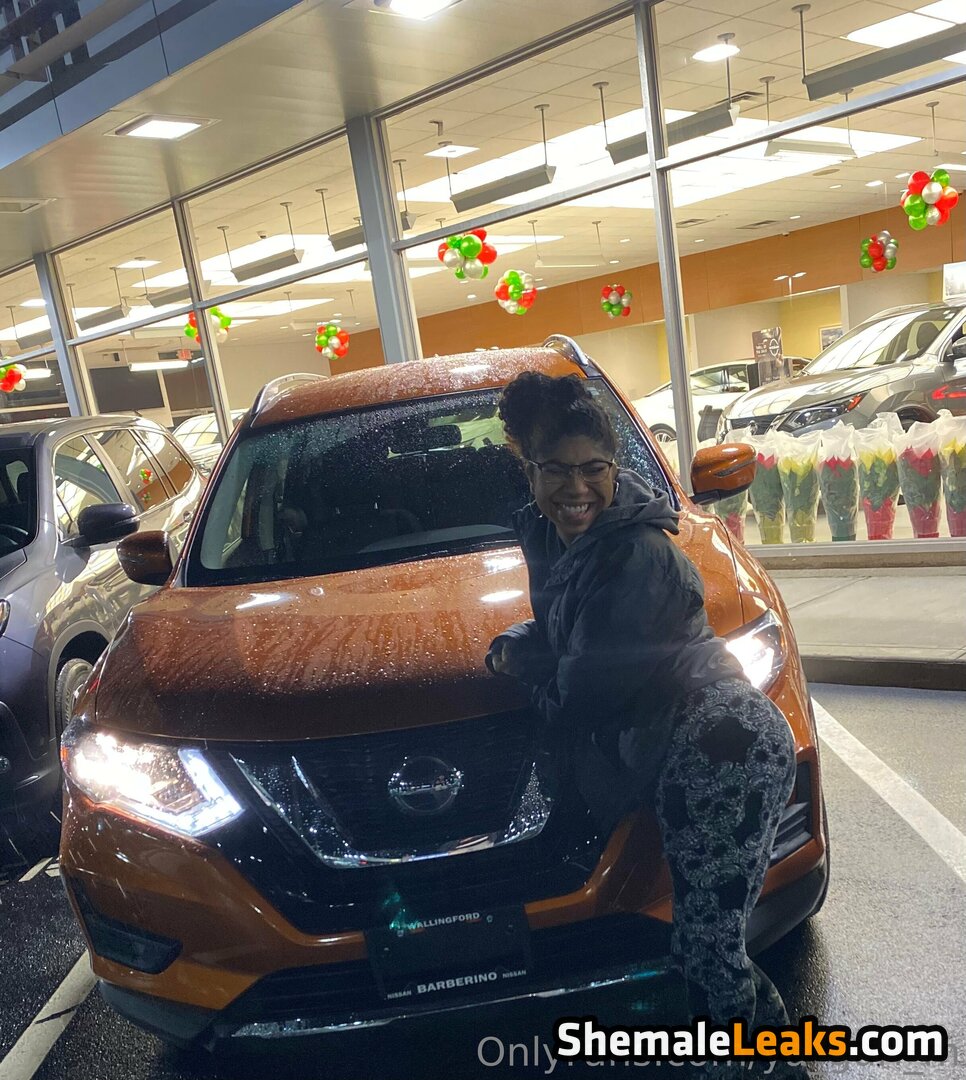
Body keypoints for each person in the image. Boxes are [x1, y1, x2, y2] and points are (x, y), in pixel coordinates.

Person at [487, 372, 806, 1078]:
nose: (577, 488)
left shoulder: (635, 555)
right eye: (557, 470)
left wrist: (526, 667)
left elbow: (582, 695)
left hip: (722, 748)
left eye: (594, 469)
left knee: (707, 949)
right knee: (705, 945)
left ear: (615, 468)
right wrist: (527, 641)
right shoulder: (565, 537)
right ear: (529, 470)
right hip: (683, 742)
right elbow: (573, 635)